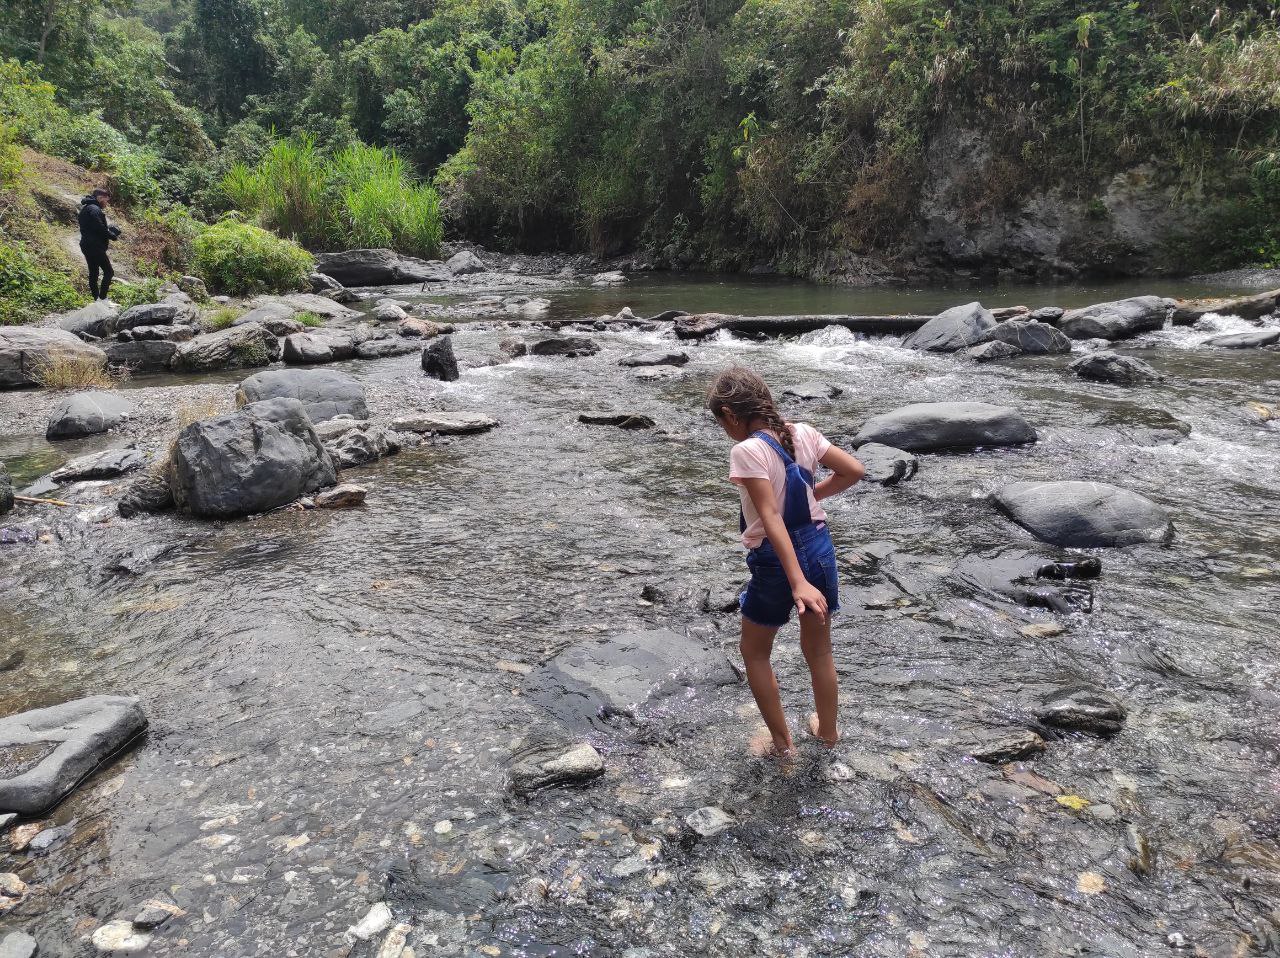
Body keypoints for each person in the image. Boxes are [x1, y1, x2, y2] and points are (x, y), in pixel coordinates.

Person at [708, 366, 865, 758]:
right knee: (820, 650)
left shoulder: (746, 450)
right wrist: (814, 498)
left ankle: (782, 746)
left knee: (755, 652)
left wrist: (796, 581)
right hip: (820, 547)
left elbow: (772, 518)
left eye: (722, 423)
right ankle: (828, 733)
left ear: (730, 413)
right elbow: (854, 471)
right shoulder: (805, 432)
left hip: (777, 563)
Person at [78, 188, 121, 302]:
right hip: (94, 246)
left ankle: (97, 300)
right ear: (100, 198)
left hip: (87, 245)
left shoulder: (86, 208)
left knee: (94, 273)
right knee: (109, 272)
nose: (106, 204)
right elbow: (100, 228)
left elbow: (95, 227)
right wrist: (112, 235)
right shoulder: (94, 209)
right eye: (106, 201)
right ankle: (102, 298)